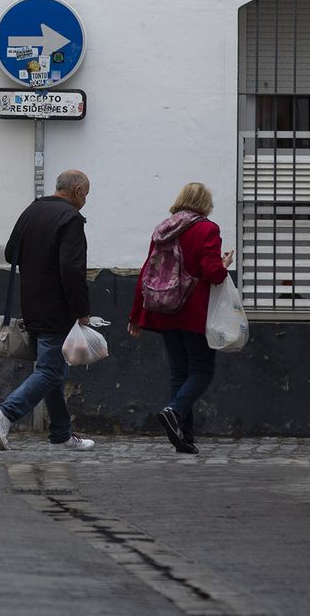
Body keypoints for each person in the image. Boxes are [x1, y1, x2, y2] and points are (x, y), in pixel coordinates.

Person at [0, 169, 97, 452]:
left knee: (54, 372)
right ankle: (7, 413)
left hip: (31, 304)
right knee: (50, 371)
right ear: (76, 191)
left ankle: (61, 433)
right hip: (57, 309)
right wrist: (81, 310)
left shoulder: (32, 210)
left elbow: (12, 254)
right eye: (86, 194)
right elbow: (72, 269)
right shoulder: (71, 219)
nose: (85, 200)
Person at [127, 182, 234, 454]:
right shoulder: (207, 228)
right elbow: (212, 272)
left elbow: (146, 271)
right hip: (193, 309)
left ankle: (184, 437)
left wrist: (137, 313)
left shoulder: (163, 228)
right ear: (203, 204)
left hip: (164, 308)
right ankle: (174, 411)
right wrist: (224, 265)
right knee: (202, 370)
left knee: (179, 371)